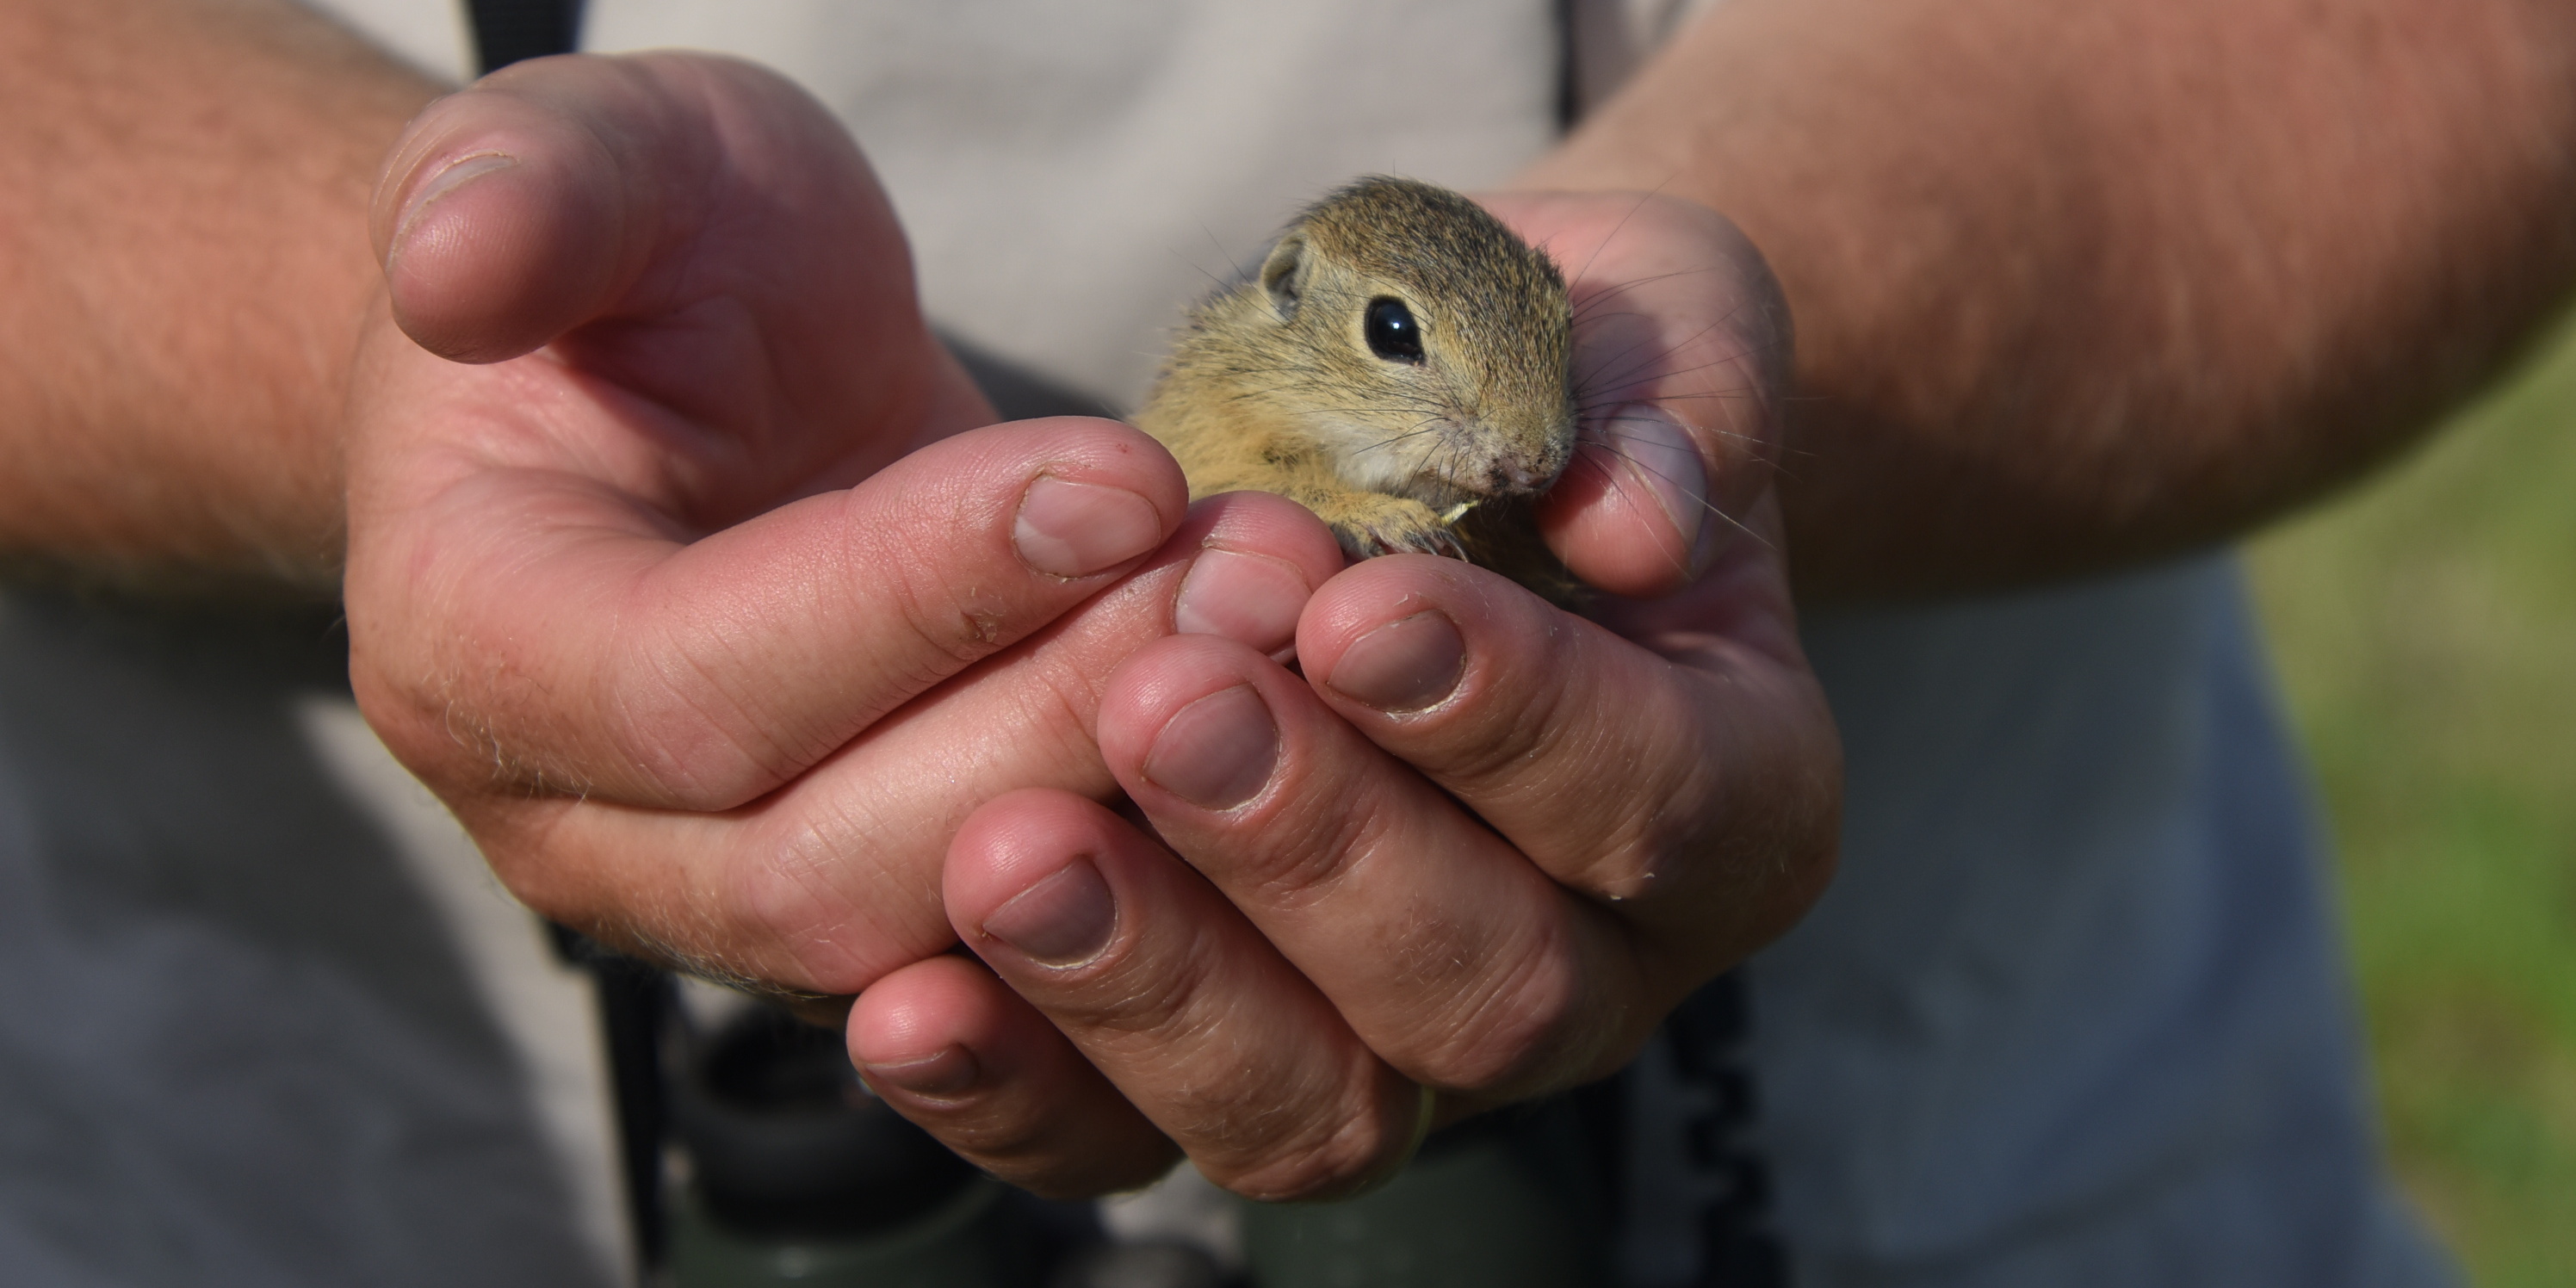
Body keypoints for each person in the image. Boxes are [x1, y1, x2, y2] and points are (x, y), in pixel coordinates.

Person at [4, 0, 2570, 1284]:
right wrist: (429, 347)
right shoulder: (1249, 405)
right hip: (287, 1138)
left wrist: (1749, 386)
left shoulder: (1506, 437)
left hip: (1957, 1123)